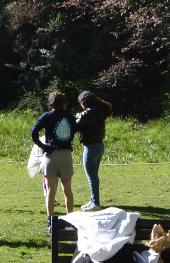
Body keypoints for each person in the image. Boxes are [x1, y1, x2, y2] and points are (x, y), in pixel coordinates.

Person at [30, 91, 77, 230]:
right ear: (64, 102)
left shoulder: (47, 116)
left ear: (50, 103)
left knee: (51, 191)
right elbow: (75, 129)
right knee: (67, 190)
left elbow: (34, 132)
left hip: (50, 155)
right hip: (66, 155)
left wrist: (43, 145)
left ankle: (51, 223)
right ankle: (70, 221)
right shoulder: (69, 116)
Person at [76, 90, 113, 210]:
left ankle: (96, 203)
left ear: (84, 102)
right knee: (94, 175)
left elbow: (77, 125)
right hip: (98, 146)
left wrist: (78, 116)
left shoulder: (89, 113)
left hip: (90, 147)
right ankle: (93, 200)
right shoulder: (99, 111)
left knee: (91, 177)